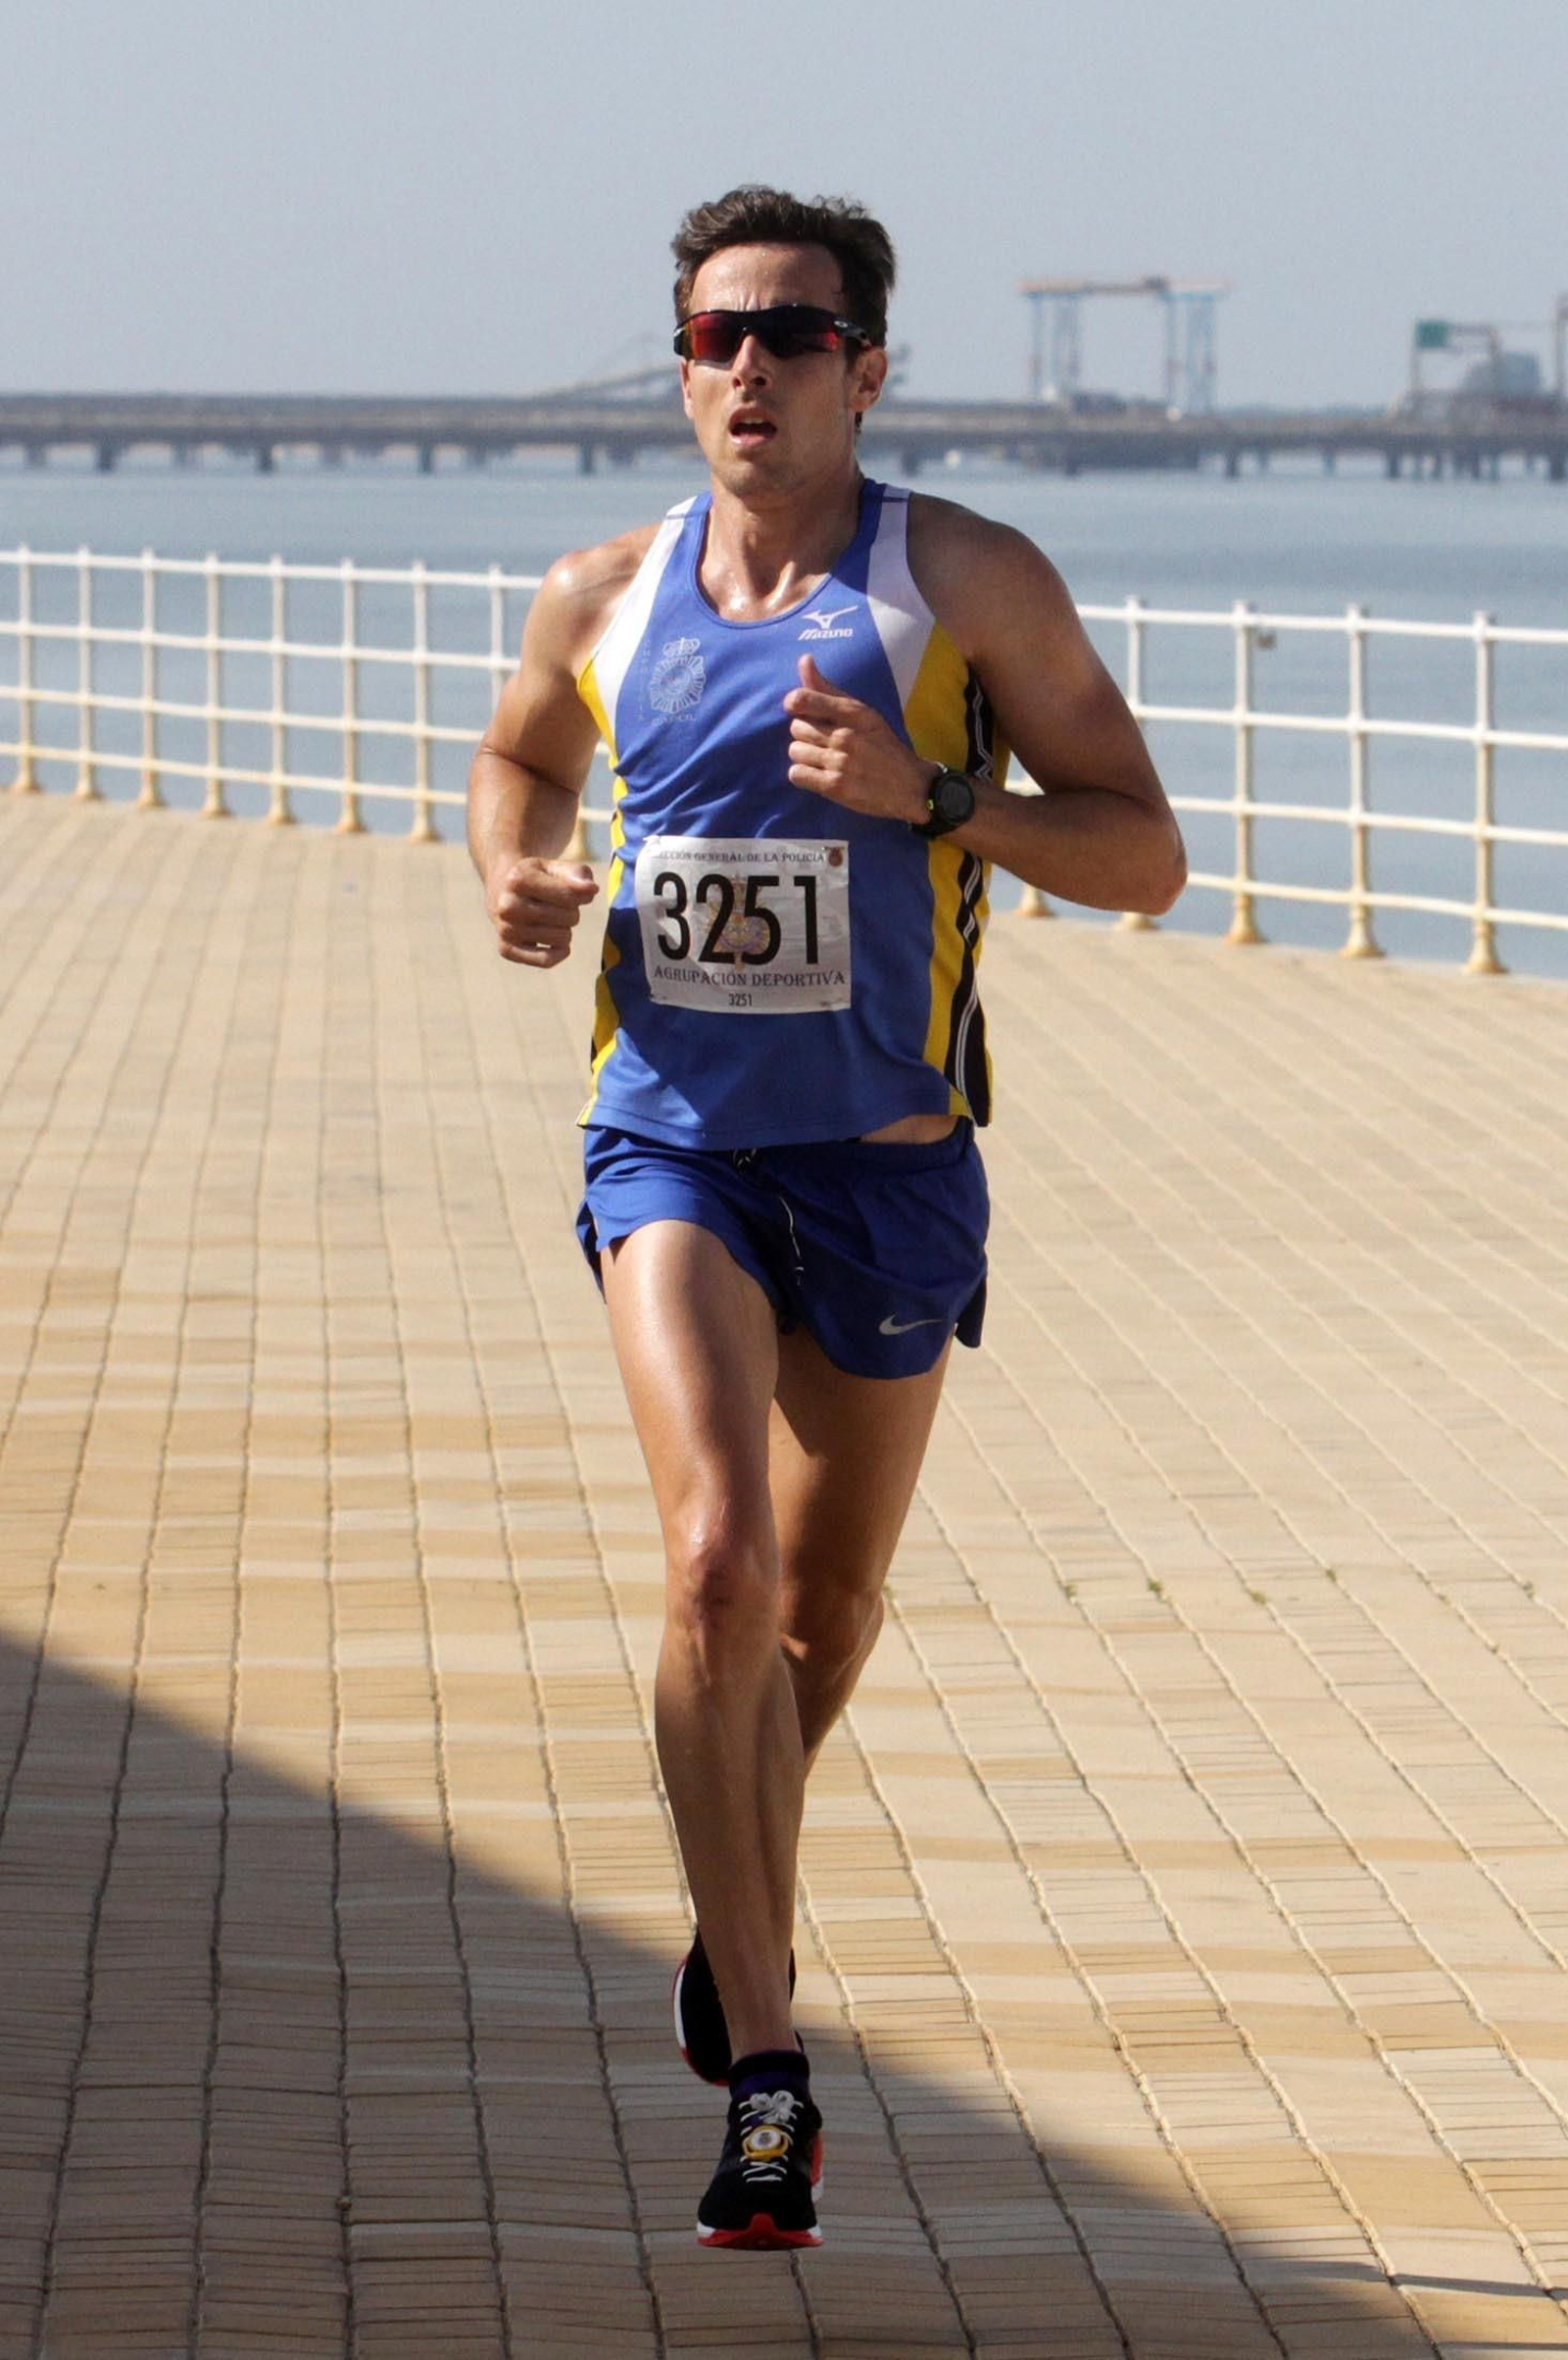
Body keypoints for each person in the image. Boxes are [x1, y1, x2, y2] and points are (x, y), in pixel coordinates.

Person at [467, 184, 1185, 2251]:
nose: (746, 369)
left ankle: (734, 1895)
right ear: (679, 362)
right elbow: (517, 761)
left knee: (819, 1619)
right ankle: (765, 2068)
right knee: (713, 1558)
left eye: (790, 334)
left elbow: (1140, 852)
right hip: (669, 1139)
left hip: (886, 1163)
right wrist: (512, 875)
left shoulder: (963, 584)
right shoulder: (600, 592)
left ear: (868, 368)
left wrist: (935, 800)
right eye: (712, 336)